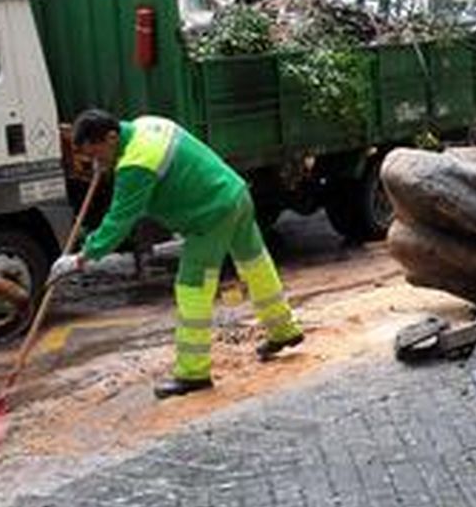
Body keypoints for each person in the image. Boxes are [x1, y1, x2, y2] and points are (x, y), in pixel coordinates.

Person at [56, 111, 305, 399]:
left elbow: (119, 222)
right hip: (235, 194)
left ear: (111, 137)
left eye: (97, 154)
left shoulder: (136, 163)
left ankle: (193, 372)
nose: (96, 163)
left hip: (210, 216)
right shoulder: (146, 124)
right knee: (255, 265)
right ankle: (283, 329)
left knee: (192, 287)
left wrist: (81, 258)